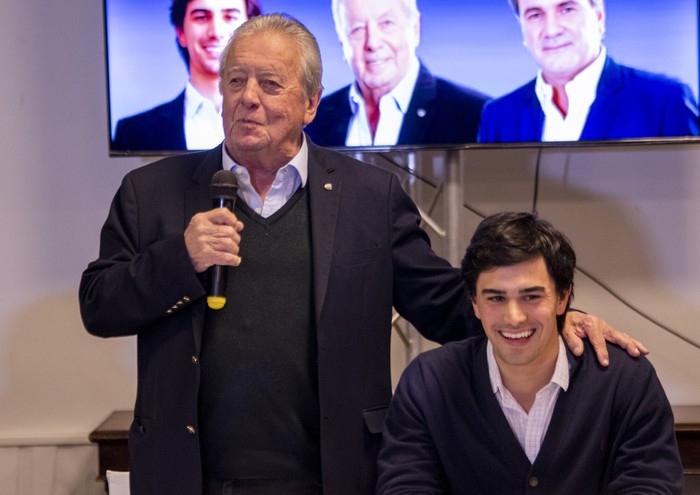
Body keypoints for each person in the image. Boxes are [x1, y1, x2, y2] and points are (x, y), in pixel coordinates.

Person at [81, 14, 645, 495]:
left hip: (336, 474)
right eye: (235, 80)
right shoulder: (151, 192)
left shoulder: (370, 197)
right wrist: (180, 258)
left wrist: (556, 319)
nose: (247, 97)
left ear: (309, 103)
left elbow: (447, 304)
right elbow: (99, 305)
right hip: (191, 476)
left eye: (269, 83)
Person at [376, 212, 683, 494]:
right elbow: (406, 486)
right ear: (474, 304)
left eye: (531, 296)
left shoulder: (625, 379)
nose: (514, 317)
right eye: (496, 298)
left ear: (563, 298)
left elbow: (650, 484)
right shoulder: (428, 383)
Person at [478, 0, 699, 143]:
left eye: (567, 9)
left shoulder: (664, 100)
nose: (552, 29)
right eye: (535, 15)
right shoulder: (499, 115)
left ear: (599, 16)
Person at [305, 0, 489, 147]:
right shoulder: (312, 120)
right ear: (342, 40)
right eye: (358, 29)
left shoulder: (474, 113)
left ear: (415, 28)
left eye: (387, 23)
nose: (373, 43)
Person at [112, 0, 262, 152]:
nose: (216, 32)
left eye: (229, 17)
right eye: (202, 17)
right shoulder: (132, 133)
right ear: (181, 32)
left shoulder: (282, 125)